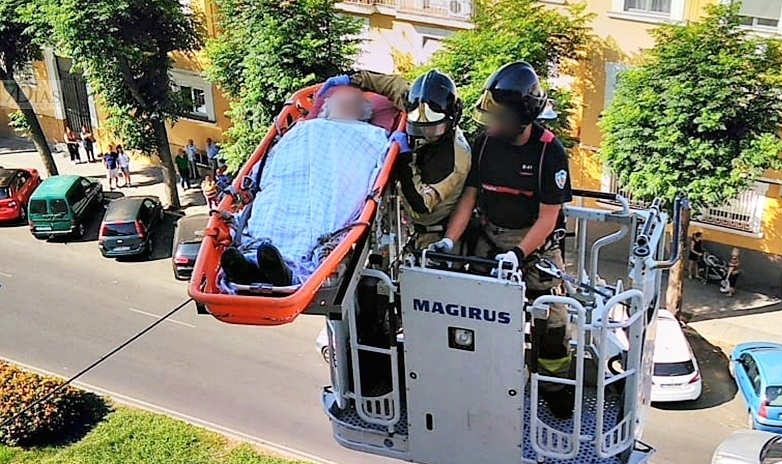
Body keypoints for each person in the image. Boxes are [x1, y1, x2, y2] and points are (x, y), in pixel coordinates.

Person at [430, 61, 574, 418]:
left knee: (553, 324)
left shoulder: (548, 153)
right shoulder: (486, 144)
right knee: (484, 318)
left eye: (502, 120)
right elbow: (470, 197)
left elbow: (547, 217)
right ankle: (487, 384)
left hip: (535, 247)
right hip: (490, 241)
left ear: (522, 119)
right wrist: (450, 241)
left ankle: (555, 392)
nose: (495, 126)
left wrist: (518, 254)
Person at [220, 85, 391, 290]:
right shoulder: (304, 128)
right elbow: (273, 161)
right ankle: (246, 268)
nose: (346, 106)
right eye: (341, 102)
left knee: (316, 224)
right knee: (271, 210)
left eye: (353, 103)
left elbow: (372, 169)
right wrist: (255, 181)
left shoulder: (370, 136)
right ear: (326, 109)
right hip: (288, 186)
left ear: (363, 113)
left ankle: (284, 271)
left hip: (328, 192)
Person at [320, 69, 471, 250]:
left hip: (431, 229)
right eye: (419, 127)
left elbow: (421, 203)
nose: (426, 134)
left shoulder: (455, 159)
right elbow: (391, 85)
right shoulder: (417, 105)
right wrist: (353, 79)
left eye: (433, 129)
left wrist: (404, 159)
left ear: (452, 119)